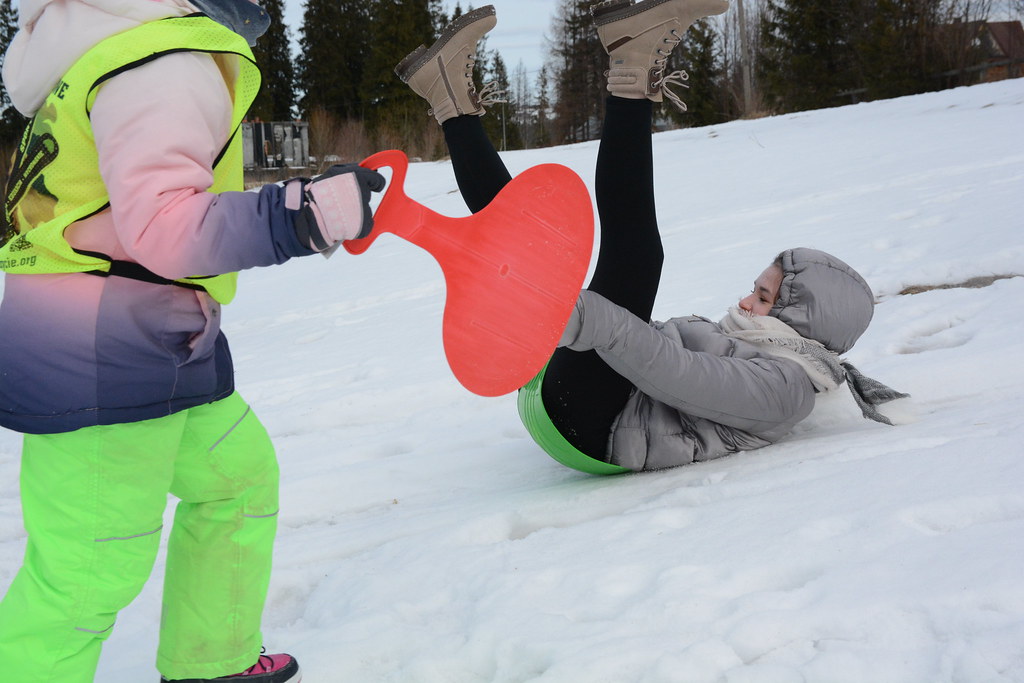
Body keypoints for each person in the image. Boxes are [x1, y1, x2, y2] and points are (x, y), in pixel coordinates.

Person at [0, 0, 386, 680]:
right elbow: (166, 226)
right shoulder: (158, 58)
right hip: (101, 357)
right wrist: (302, 214)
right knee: (86, 571)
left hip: (154, 339)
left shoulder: (114, 49)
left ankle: (213, 660)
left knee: (237, 481)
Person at [396, 0, 907, 475]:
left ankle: (633, 66)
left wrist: (566, 310)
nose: (745, 301)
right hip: (577, 397)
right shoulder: (752, 347)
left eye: (764, 296)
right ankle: (448, 98)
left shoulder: (786, 389)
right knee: (528, 241)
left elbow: (671, 372)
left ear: (803, 320)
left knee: (638, 260)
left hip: (598, 426)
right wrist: (554, 302)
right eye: (754, 288)